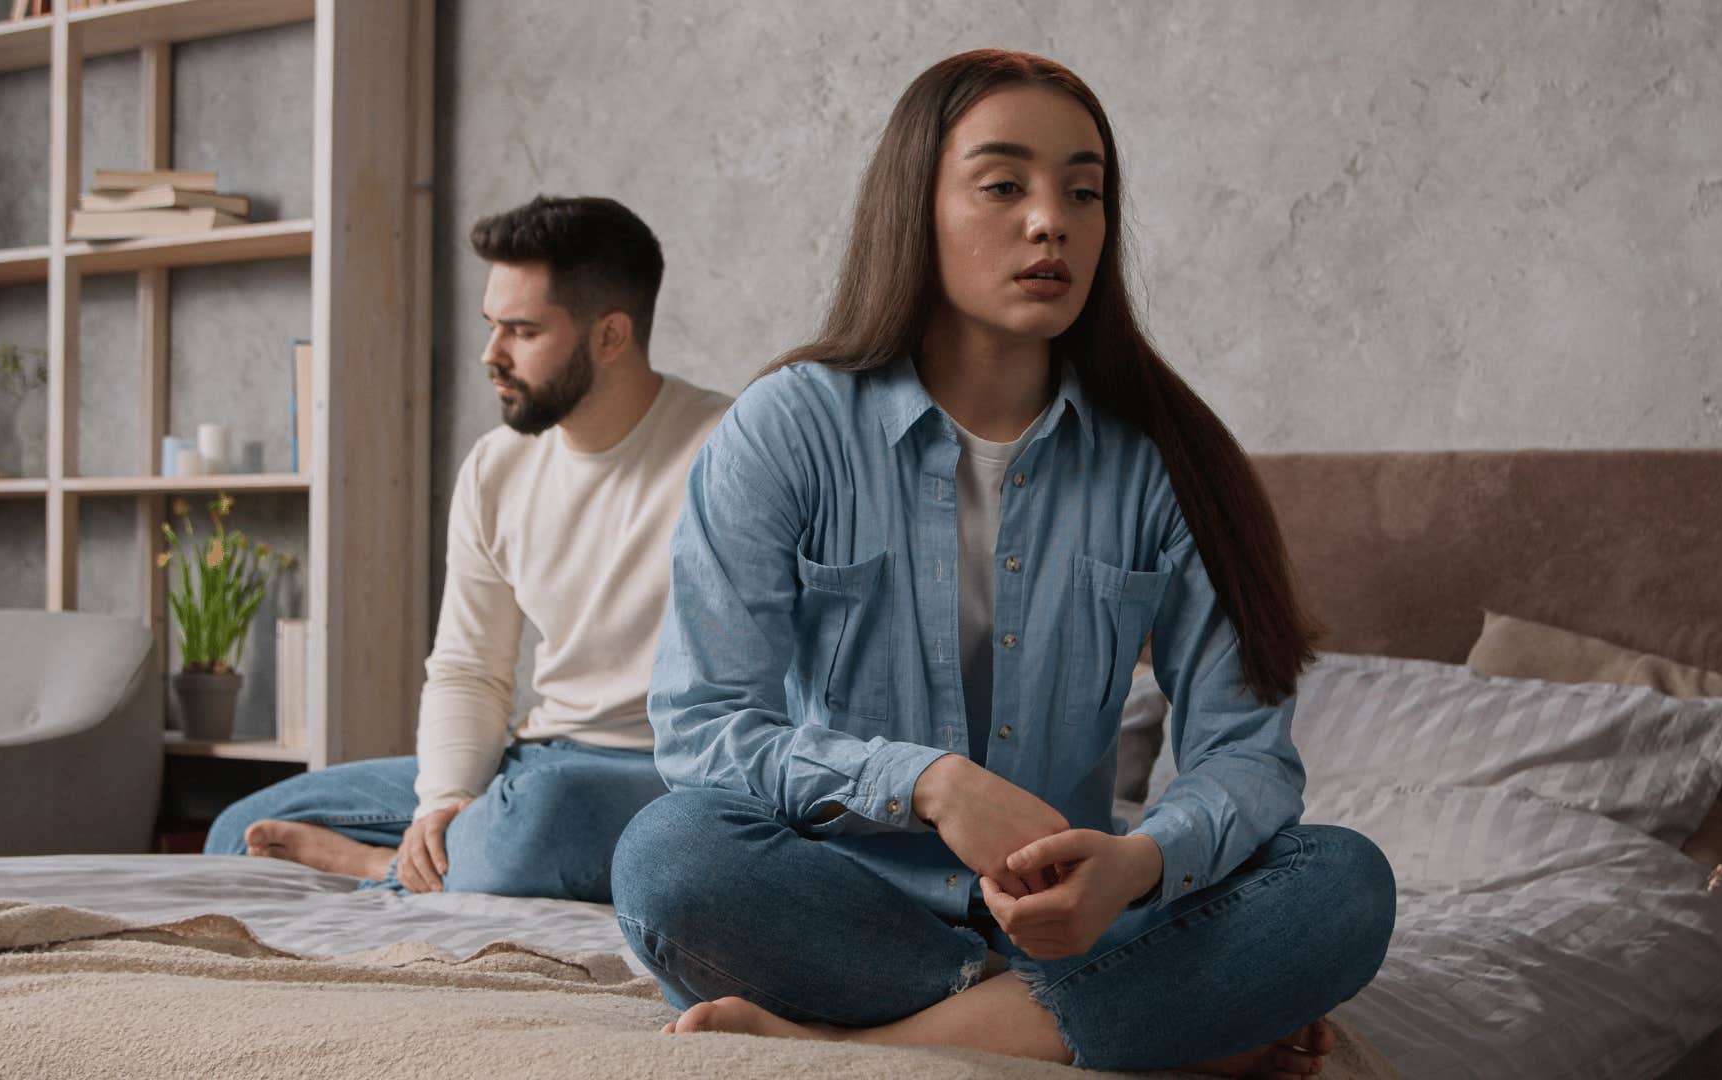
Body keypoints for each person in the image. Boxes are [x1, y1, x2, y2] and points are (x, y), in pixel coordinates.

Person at [610, 50, 1396, 1077]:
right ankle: (1138, 1029)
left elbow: (1246, 757)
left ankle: (867, 1049)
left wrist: (1137, 865)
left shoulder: (1165, 459)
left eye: (1083, 191)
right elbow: (706, 729)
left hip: (1083, 918)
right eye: (1004, 184)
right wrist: (926, 784)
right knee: (668, 855)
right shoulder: (787, 428)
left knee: (1345, 882)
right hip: (845, 907)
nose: (1050, 222)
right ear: (917, 206)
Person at [205, 195, 731, 902]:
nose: (492, 355)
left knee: (543, 819)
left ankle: (378, 869)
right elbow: (469, 668)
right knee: (239, 828)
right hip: (534, 760)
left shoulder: (728, 450)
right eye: (492, 326)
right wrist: (445, 800)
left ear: (610, 336)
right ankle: (446, 855)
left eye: (521, 331)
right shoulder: (497, 465)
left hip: (661, 770)